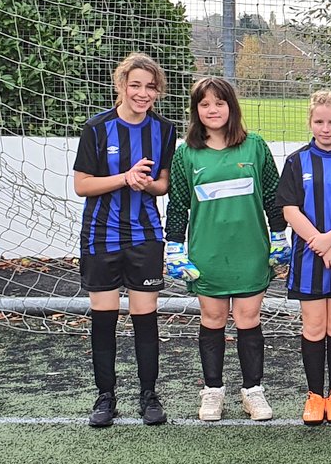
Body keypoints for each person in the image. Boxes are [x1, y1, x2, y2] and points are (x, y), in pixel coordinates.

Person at [164, 77, 290, 422]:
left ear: (231, 106)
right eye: (205, 104)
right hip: (209, 252)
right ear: (196, 111)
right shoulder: (186, 154)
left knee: (249, 319)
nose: (212, 109)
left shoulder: (254, 146)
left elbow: (271, 196)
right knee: (213, 319)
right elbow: (177, 205)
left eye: (219, 103)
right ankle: (212, 391)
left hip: (251, 250)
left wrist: (279, 237)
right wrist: (174, 247)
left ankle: (253, 392)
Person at [73, 52, 175, 427]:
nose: (142, 93)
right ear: (121, 86)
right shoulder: (97, 128)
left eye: (150, 87)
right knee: (104, 319)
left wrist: (148, 183)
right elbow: (82, 185)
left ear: (157, 91)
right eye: (135, 85)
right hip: (101, 236)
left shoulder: (163, 130)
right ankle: (105, 397)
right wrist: (125, 177)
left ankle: (149, 394)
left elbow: (162, 184)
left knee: (145, 318)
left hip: (146, 235)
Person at [277, 91, 331, 426]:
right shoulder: (296, 162)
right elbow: (290, 210)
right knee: (314, 326)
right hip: (310, 257)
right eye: (319, 122)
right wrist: (321, 244)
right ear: (310, 122)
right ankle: (315, 395)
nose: (325, 128)